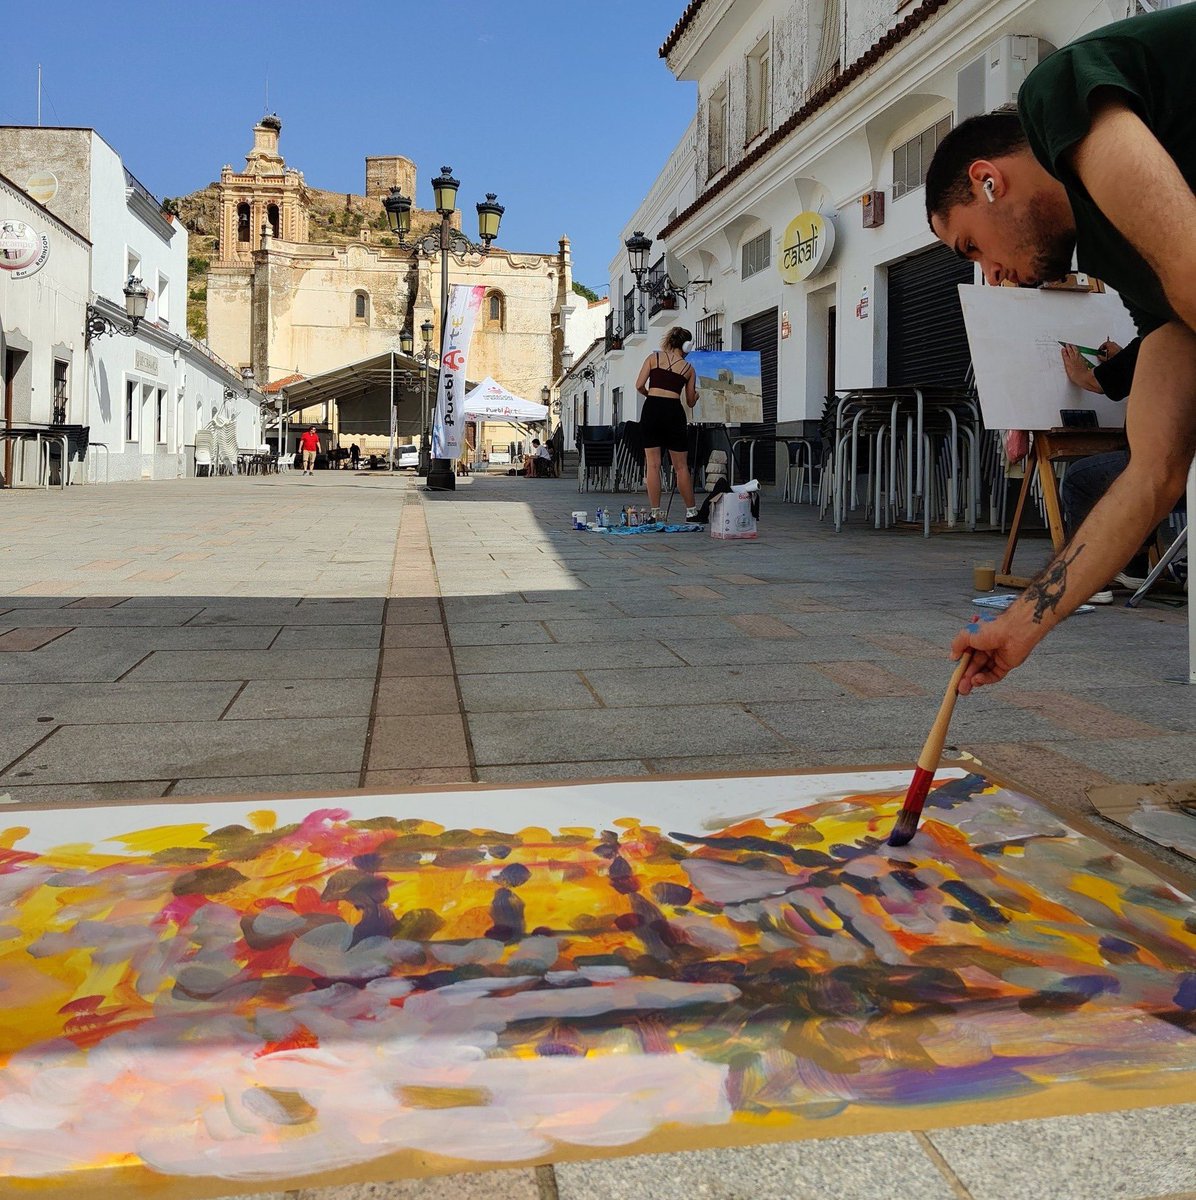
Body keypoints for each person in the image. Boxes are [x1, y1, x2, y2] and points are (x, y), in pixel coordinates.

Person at [925, 5, 1196, 693]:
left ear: (989, 180)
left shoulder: (1054, 94)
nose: (990, 275)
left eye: (972, 247)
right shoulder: (1120, 258)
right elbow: (1151, 478)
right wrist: (1016, 628)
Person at [634, 326, 701, 521]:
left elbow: (639, 385)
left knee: (653, 465)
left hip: (652, 410)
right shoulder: (689, 369)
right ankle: (691, 512)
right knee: (681, 467)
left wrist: (650, 396)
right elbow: (689, 401)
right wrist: (696, 396)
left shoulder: (653, 359)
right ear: (687, 346)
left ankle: (655, 513)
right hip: (673, 412)